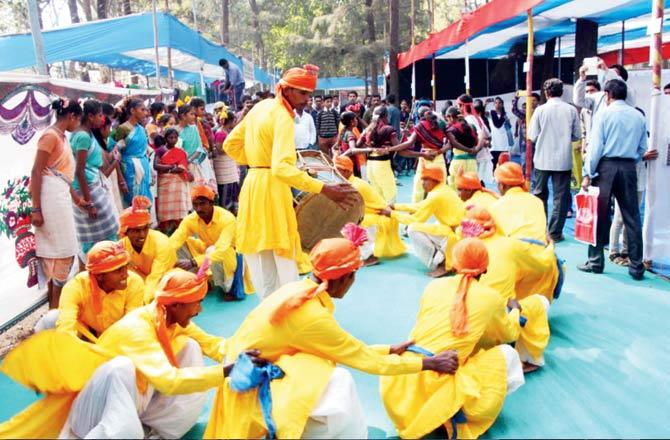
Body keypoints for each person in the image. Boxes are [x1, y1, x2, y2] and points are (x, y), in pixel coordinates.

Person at [205, 230, 459, 439]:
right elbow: (365, 361)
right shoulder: (310, 315)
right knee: (338, 379)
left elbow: (344, 346)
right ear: (344, 278)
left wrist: (389, 349)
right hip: (246, 388)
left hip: (238, 376)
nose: (352, 283)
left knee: (322, 363)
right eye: (353, 277)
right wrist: (429, 363)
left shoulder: (297, 289)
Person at [222, 64, 357, 299]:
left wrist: (257, 161)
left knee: (260, 253)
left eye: (309, 94)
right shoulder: (284, 117)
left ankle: (268, 314)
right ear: (285, 89)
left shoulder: (260, 107)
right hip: (273, 188)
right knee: (283, 258)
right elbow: (282, 168)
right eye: (302, 93)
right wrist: (325, 189)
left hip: (253, 184)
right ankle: (289, 312)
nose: (307, 100)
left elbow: (230, 144)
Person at [380, 238, 525, 439]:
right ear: (485, 269)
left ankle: (438, 412)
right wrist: (515, 313)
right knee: (508, 354)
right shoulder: (492, 298)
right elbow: (509, 334)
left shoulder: (433, 287)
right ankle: (461, 411)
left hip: (401, 388)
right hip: (440, 385)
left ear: (455, 264)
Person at [579, 79, 657, 280]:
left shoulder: (603, 114)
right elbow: (642, 148)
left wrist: (588, 173)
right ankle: (636, 266)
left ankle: (596, 261)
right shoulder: (638, 116)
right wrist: (630, 160)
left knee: (600, 215)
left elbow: (595, 147)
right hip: (629, 167)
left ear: (607, 94)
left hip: (606, 168)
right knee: (632, 216)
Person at [459, 207, 551, 371]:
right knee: (541, 302)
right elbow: (543, 263)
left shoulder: (462, 248)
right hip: (495, 326)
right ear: (484, 268)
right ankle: (529, 359)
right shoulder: (510, 245)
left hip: (460, 328)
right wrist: (551, 246)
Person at [33, 241, 143, 339]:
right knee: (51, 320)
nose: (126, 274)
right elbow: (66, 324)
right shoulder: (76, 287)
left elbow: (131, 327)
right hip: (87, 336)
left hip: (119, 341)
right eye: (118, 270)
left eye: (126, 266)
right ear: (99, 276)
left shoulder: (134, 283)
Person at [31, 98, 82, 308]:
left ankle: (55, 308)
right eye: (78, 120)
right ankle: (54, 309)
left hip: (59, 196)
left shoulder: (61, 136)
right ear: (71, 117)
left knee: (63, 252)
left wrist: (77, 199)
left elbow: (62, 175)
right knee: (61, 253)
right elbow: (36, 171)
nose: (77, 124)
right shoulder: (50, 136)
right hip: (49, 199)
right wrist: (36, 208)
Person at [490, 162, 562, 302]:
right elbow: (546, 236)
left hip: (516, 264)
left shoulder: (496, 206)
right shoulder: (537, 202)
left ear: (502, 186)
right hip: (544, 266)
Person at [169, 182, 247, 300]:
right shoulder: (191, 219)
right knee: (174, 247)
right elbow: (175, 240)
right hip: (207, 254)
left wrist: (194, 262)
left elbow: (221, 249)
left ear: (211, 203)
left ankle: (227, 287)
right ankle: (199, 281)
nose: (198, 209)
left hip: (230, 256)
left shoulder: (227, 218)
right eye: (195, 205)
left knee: (214, 251)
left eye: (202, 204)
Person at [386, 164, 465, 278]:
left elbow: (415, 219)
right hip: (459, 230)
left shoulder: (435, 195)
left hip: (455, 234)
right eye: (422, 179)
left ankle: (442, 263)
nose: (423, 183)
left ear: (435, 180)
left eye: (426, 180)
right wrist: (395, 206)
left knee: (412, 228)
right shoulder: (442, 188)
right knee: (433, 225)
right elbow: (420, 206)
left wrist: (391, 214)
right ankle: (443, 255)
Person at [528, 78, 581, 242]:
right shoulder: (571, 110)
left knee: (539, 194)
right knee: (561, 197)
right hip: (563, 160)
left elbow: (532, 135)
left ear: (546, 92)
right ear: (562, 91)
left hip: (542, 159)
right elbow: (577, 135)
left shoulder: (540, 110)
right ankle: (555, 233)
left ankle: (540, 230)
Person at [70, 100, 120, 258]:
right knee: (109, 230)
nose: (102, 119)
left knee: (106, 233)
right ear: (90, 116)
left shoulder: (86, 133)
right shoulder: (83, 136)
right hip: (88, 189)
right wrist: (88, 202)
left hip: (93, 185)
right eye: (99, 115)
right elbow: (79, 171)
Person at [335, 156, 406, 264]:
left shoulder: (355, 186)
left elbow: (351, 211)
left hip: (381, 218)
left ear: (345, 171)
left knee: (351, 224)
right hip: (376, 216)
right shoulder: (352, 182)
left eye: (337, 169)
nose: (334, 172)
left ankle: (369, 257)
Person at [119, 196, 177, 303]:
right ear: (126, 232)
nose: (142, 235)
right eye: (136, 231)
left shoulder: (161, 242)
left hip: (165, 277)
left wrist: (142, 301)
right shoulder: (122, 246)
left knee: (176, 283)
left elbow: (155, 277)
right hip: (143, 280)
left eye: (145, 229)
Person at [365, 106, 428, 204]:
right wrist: (422, 154)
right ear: (387, 115)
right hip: (382, 165)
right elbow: (401, 150)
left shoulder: (368, 129)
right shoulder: (388, 129)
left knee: (378, 197)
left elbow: (358, 145)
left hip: (370, 165)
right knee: (390, 196)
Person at [114, 99, 153, 207]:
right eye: (142, 109)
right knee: (132, 200)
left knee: (145, 199)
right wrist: (121, 178)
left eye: (146, 110)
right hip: (129, 168)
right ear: (132, 110)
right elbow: (116, 152)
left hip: (143, 165)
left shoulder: (142, 129)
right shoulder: (123, 128)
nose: (146, 113)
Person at [155, 127, 193, 235]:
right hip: (165, 183)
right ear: (165, 138)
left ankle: (179, 229)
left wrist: (170, 168)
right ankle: (165, 230)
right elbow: (156, 165)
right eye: (170, 137)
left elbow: (182, 167)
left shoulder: (181, 152)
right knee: (165, 209)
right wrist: (171, 167)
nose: (173, 140)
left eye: (175, 138)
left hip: (178, 183)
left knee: (179, 209)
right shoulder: (160, 150)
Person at [177, 104, 217, 190]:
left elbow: (199, 148)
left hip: (194, 163)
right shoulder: (175, 131)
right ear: (183, 116)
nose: (194, 116)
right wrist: (183, 163)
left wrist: (189, 161)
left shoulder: (194, 128)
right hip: (181, 166)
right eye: (191, 114)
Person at [411, 111, 447, 202]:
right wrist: (439, 152)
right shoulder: (442, 124)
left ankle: (416, 210)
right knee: (440, 184)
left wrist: (392, 148)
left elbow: (410, 143)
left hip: (424, 156)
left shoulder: (420, 126)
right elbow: (451, 143)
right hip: (438, 156)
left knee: (419, 185)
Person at [445, 106, 481, 188]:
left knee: (455, 188)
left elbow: (452, 144)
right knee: (471, 187)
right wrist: (473, 150)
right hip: (472, 163)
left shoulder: (451, 129)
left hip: (458, 163)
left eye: (447, 118)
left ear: (450, 116)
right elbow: (477, 142)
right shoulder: (472, 127)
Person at [212, 110, 241, 215]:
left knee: (232, 187)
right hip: (224, 166)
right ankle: (227, 212)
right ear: (231, 121)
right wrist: (233, 148)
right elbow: (220, 149)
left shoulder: (227, 131)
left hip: (229, 165)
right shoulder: (220, 133)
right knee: (226, 189)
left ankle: (233, 210)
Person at [487, 97, 514, 169]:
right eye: (496, 103)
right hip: (494, 144)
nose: (497, 104)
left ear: (502, 104)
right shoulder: (490, 113)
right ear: (494, 104)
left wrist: (508, 122)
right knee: (493, 166)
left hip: (503, 144)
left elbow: (509, 128)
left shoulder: (505, 115)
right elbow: (481, 113)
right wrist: (485, 104)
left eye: (499, 103)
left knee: (504, 167)